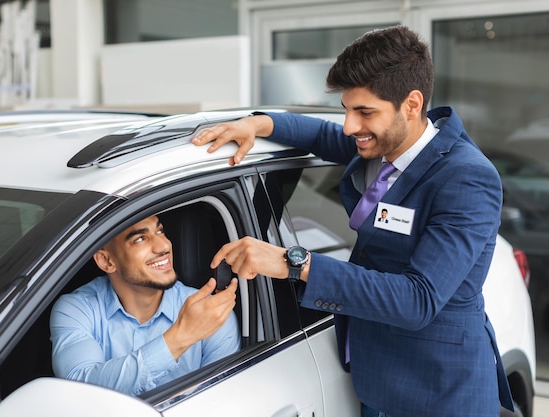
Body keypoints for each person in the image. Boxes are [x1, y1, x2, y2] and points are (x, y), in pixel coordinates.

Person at [192, 26, 513, 417]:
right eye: (347, 108)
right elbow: (321, 134)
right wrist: (257, 124)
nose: (349, 126)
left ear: (412, 105)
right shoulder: (383, 141)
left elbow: (419, 300)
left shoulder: (465, 177)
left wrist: (295, 262)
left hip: (439, 391)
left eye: (364, 112)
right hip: (376, 379)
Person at [50, 214, 240, 396]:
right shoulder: (76, 308)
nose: (164, 245)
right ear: (107, 261)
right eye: (140, 239)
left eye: (160, 231)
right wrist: (181, 336)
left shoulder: (212, 314)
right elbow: (80, 391)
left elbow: (218, 402)